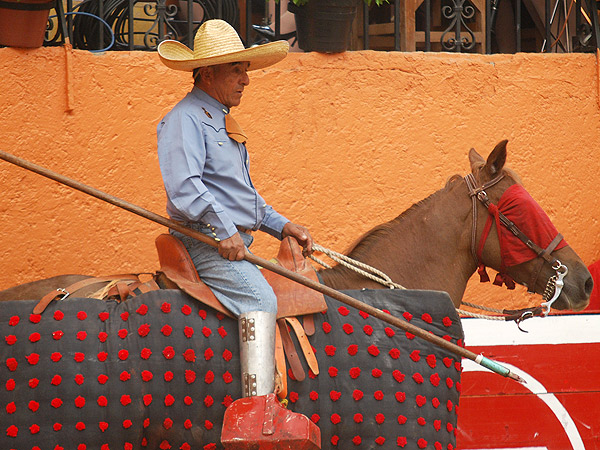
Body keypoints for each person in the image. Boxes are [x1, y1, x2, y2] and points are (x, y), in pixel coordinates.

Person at [156, 19, 314, 405]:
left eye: (245, 70)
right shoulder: (184, 119)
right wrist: (224, 229)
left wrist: (283, 226)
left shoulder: (222, 120)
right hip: (203, 242)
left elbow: (243, 197)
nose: (246, 80)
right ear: (207, 73)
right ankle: (260, 411)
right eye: (236, 70)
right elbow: (184, 188)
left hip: (229, 241)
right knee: (261, 301)